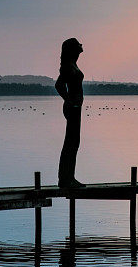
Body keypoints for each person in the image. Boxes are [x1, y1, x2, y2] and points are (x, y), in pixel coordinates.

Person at [55, 38, 85, 188]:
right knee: (71, 142)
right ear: (72, 49)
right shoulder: (68, 66)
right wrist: (69, 100)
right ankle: (65, 179)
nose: (82, 47)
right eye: (79, 45)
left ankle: (69, 177)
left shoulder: (72, 65)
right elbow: (59, 85)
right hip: (72, 108)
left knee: (74, 142)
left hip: (76, 107)